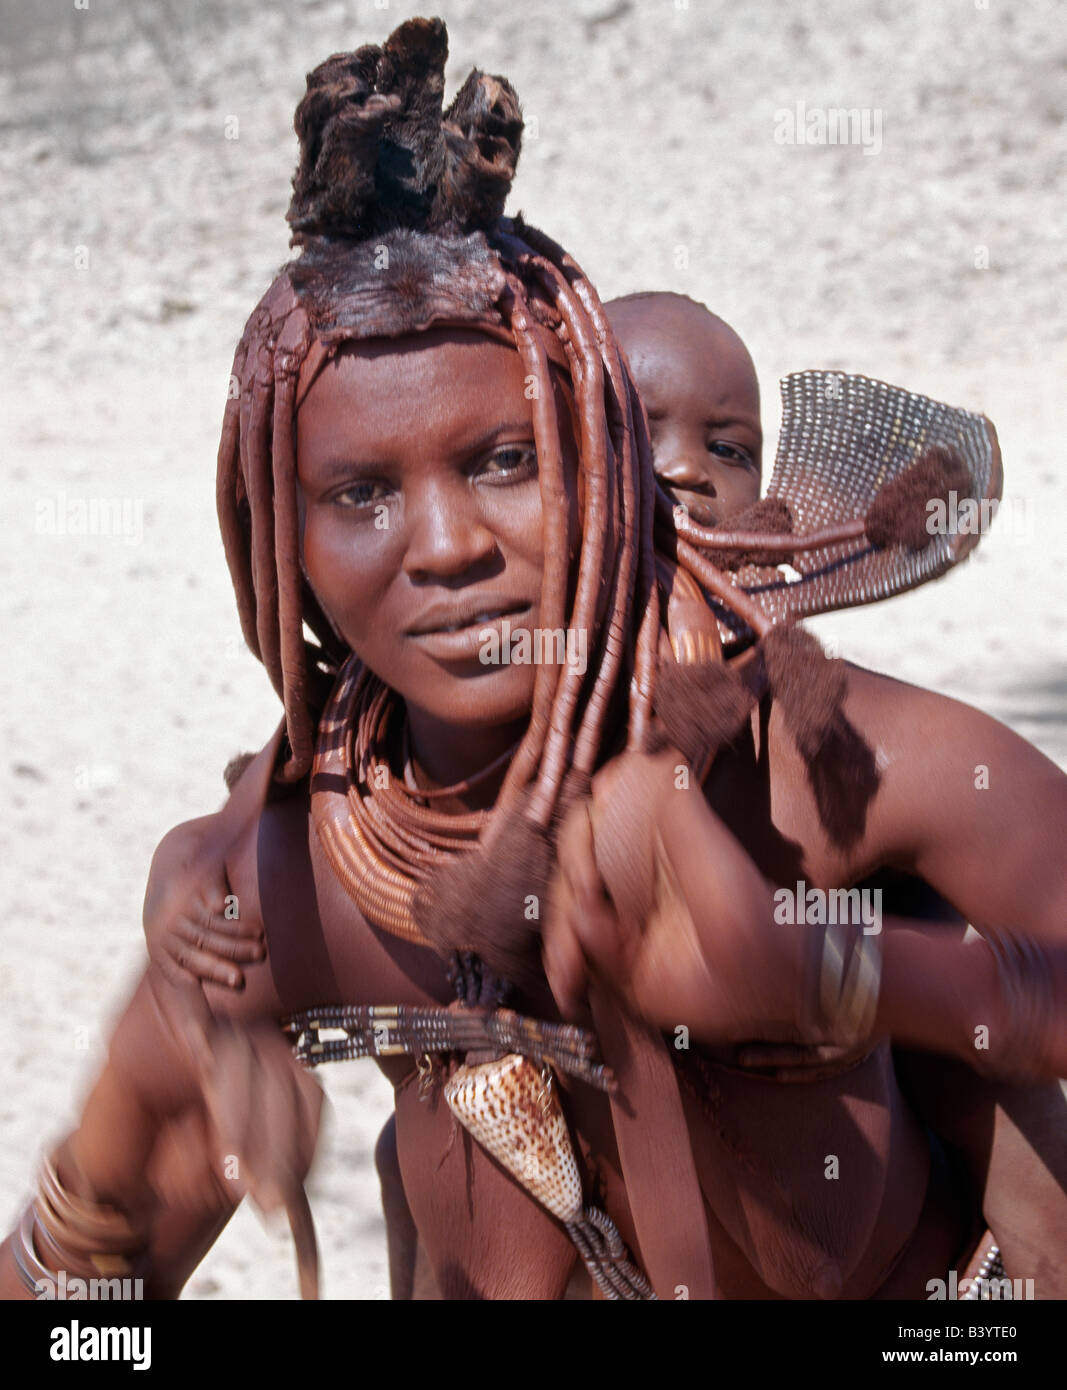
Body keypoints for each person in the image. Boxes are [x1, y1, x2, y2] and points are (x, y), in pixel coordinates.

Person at [3, 18, 1066, 1302]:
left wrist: (829, 974)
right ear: (275, 540)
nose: (446, 548)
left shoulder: (832, 767)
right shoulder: (274, 892)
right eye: (357, 494)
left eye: (504, 463)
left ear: (603, 462)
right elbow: (76, 1314)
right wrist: (140, 1110)